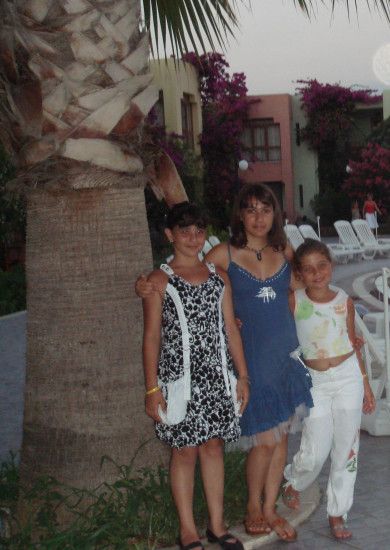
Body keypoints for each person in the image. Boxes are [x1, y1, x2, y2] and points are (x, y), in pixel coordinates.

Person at [137, 184, 313, 542]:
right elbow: (178, 287)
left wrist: (341, 323)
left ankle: (255, 512)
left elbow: (307, 282)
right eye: (251, 209)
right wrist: (144, 285)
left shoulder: (281, 251)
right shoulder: (219, 256)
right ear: (240, 216)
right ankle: (245, 510)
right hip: (231, 363)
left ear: (275, 215)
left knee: (273, 440)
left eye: (266, 209)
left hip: (272, 358)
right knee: (251, 443)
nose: (259, 217)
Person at [141, 202, 249, 550]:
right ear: (170, 235)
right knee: (184, 450)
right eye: (184, 231)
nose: (192, 238)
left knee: (213, 446)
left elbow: (230, 328)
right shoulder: (159, 281)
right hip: (180, 381)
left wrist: (243, 376)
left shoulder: (219, 277)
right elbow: (152, 336)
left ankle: (217, 525)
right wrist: (152, 389)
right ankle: (187, 529)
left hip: (217, 378)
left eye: (199, 231)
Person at [281, 239, 376, 540]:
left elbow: (352, 342)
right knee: (316, 448)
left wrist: (365, 383)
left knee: (347, 447)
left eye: (322, 266)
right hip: (315, 383)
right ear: (299, 273)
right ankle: (294, 480)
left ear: (331, 266)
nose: (317, 273)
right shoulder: (294, 301)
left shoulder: (344, 300)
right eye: (308, 269)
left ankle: (338, 512)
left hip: (348, 377)